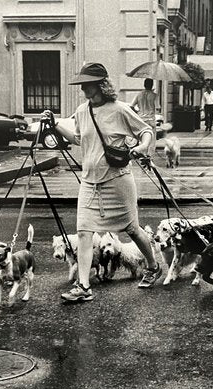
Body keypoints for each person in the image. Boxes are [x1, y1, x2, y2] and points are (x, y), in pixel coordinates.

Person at [43, 62, 161, 303]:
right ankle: (84, 286)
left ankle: (152, 265)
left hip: (117, 180)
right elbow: (77, 138)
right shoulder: (82, 111)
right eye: (82, 84)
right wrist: (55, 124)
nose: (83, 88)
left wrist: (142, 146)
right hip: (89, 182)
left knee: (132, 229)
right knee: (84, 232)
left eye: (87, 83)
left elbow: (145, 130)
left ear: (100, 85)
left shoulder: (119, 110)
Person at [131, 78, 159, 154]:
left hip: (141, 119)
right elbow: (158, 107)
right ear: (152, 85)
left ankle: (142, 154)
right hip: (151, 120)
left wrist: (137, 112)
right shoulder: (154, 95)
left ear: (144, 85)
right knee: (151, 140)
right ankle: (149, 156)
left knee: (142, 139)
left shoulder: (139, 94)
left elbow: (131, 106)